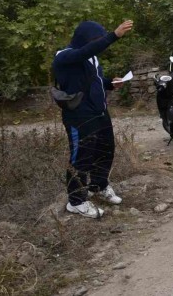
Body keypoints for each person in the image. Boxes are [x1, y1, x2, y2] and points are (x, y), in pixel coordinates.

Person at [52, 19, 133, 218]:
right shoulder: (65, 56)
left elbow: (94, 80)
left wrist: (110, 83)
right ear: (84, 38)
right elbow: (83, 52)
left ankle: (99, 186)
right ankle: (76, 201)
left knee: (105, 150)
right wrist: (113, 36)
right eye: (95, 39)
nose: (98, 42)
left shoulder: (92, 59)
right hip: (79, 116)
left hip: (100, 112)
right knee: (81, 157)